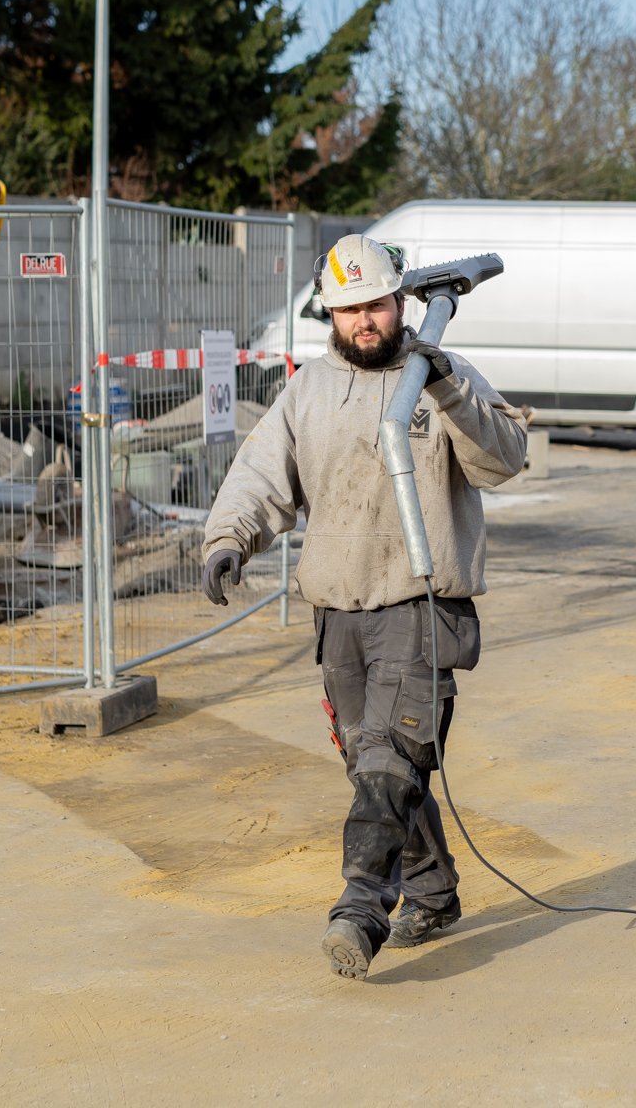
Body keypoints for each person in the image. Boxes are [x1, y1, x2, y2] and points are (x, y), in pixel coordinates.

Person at [202, 234, 528, 981]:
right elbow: (262, 473)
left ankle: (359, 909)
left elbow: (506, 458)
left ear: (401, 299)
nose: (365, 322)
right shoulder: (309, 390)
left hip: (423, 609)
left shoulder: (437, 375)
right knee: (372, 768)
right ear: (332, 314)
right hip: (340, 614)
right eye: (349, 311)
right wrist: (228, 539)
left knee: (390, 761)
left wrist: (447, 389)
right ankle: (434, 892)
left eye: (376, 305)